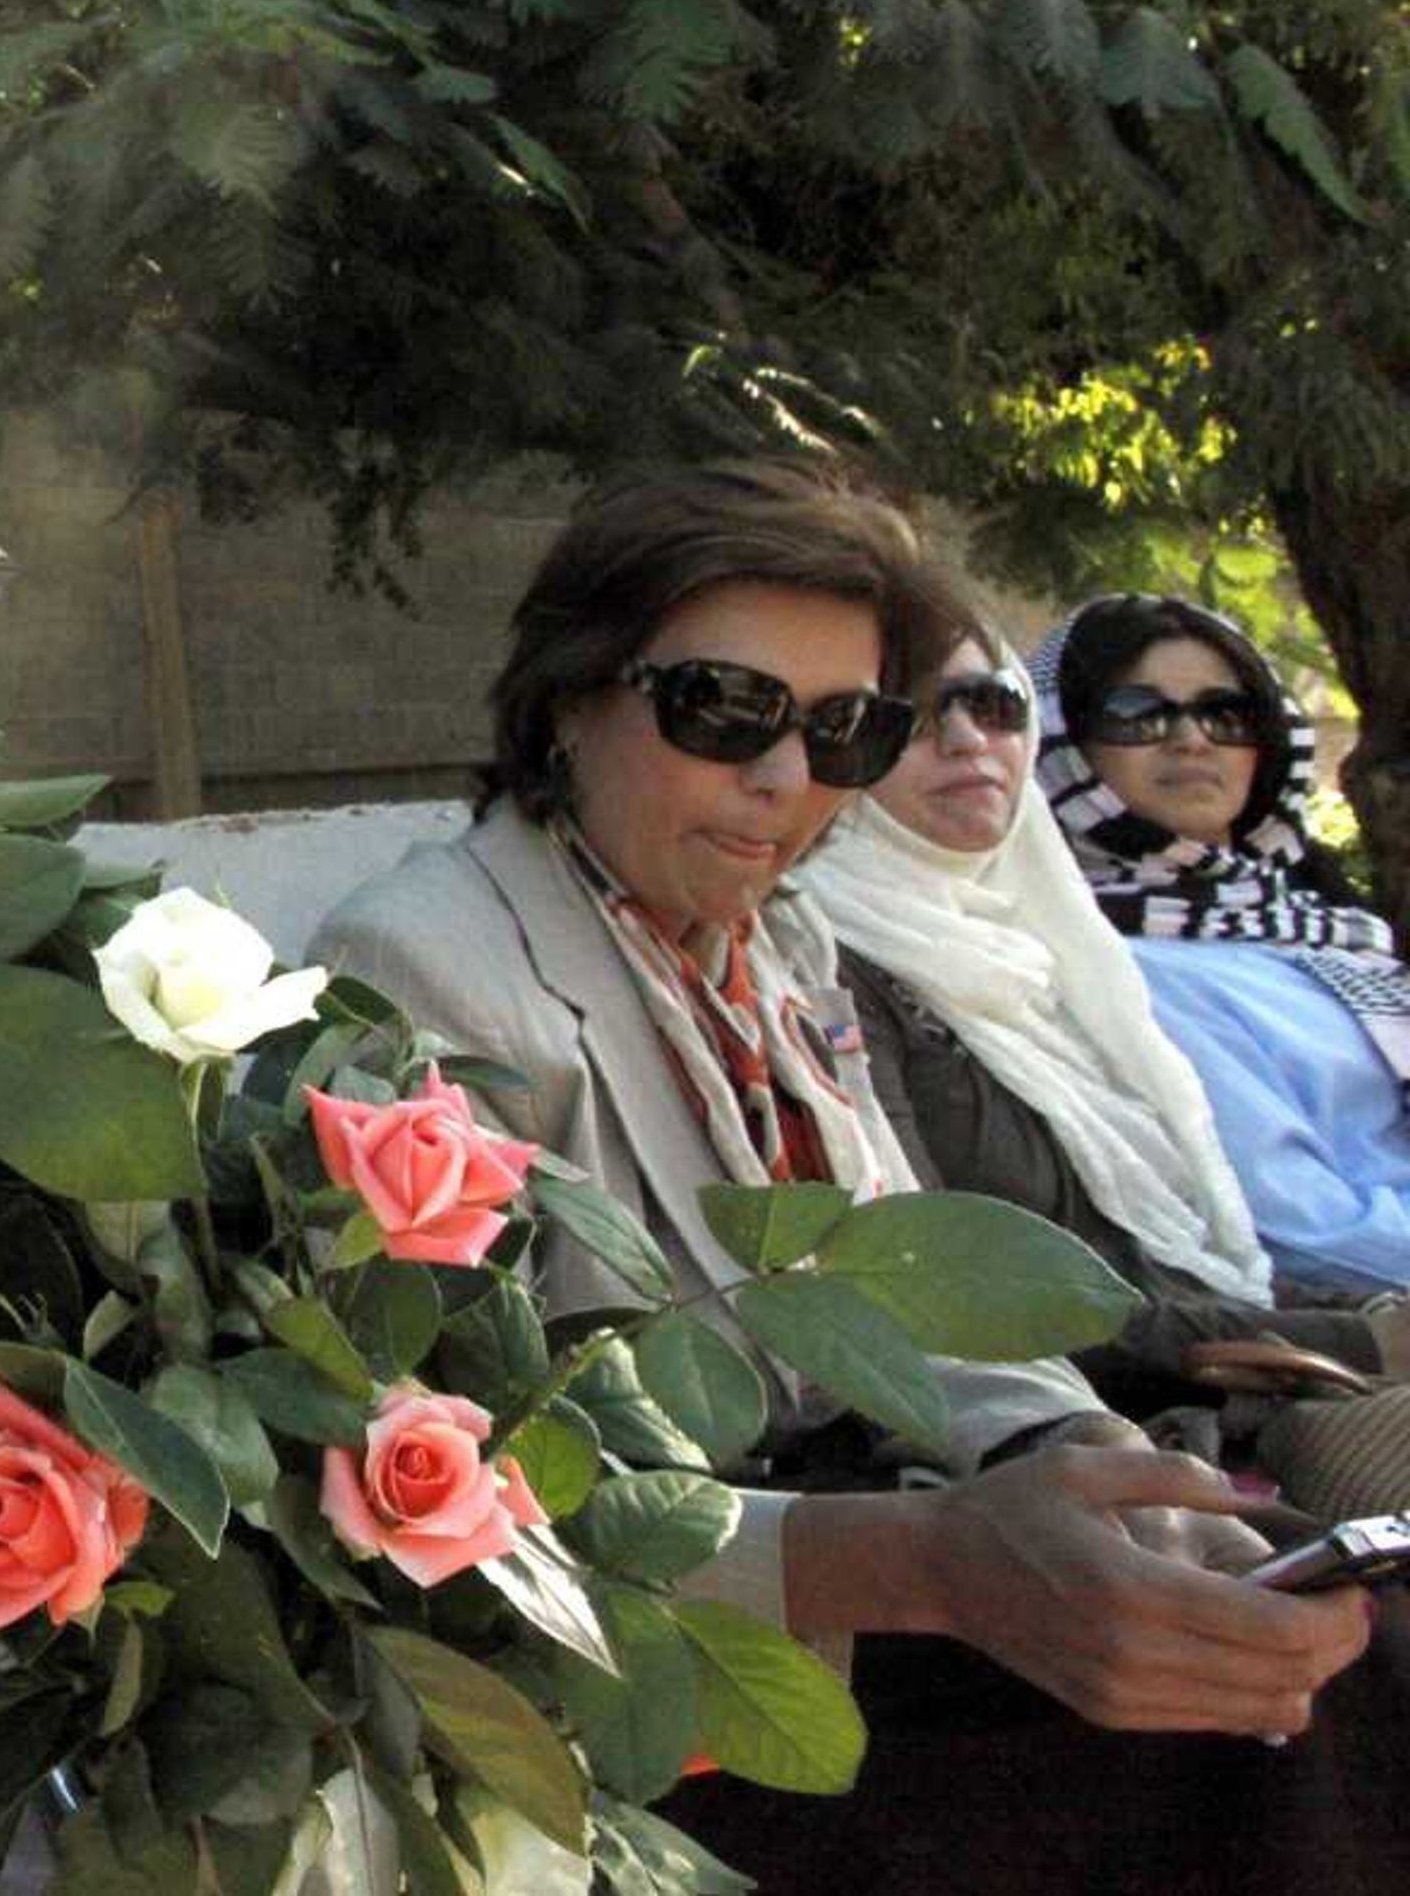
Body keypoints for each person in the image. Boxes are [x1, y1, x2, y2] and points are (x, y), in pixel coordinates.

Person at [313, 462, 1392, 1893]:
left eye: (844, 730)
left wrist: (1083, 1469)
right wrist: (932, 1561)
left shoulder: (777, 947)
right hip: (665, 1653)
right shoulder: (422, 967)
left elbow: (908, 1295)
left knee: (1330, 1648)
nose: (785, 780)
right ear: (570, 697)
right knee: (1256, 1751)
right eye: (724, 710)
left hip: (892, 1546)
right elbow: (438, 1491)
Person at [794, 626, 1409, 1425]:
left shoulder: (1046, 954)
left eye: (994, 703)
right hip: (1069, 1446)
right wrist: (1362, 1341)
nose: (965, 738)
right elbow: (928, 1297)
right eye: (908, 713)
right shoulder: (825, 963)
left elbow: (1199, 1255)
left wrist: (1367, 1325)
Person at [1031, 593, 1410, 1297]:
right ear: (1063, 741)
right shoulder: (1118, 964)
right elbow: (1300, 1228)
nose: (1192, 739)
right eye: (1139, 713)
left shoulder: (1323, 930)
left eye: (1225, 714)